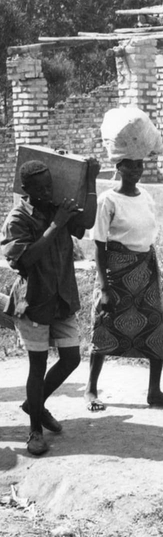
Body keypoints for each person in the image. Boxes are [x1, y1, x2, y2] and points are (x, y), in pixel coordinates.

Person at [0, 158, 99, 456]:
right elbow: (24, 260)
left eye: (49, 186)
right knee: (37, 365)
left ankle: (35, 403)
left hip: (62, 296)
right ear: (25, 189)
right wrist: (56, 225)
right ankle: (34, 431)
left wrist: (90, 181)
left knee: (71, 359)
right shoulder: (18, 218)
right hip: (34, 301)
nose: (46, 192)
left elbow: (87, 225)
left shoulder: (56, 209)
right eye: (39, 188)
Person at [84, 157, 163, 411]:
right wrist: (105, 288)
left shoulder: (146, 197)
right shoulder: (108, 200)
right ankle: (91, 390)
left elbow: (148, 235)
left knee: (154, 325)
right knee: (104, 325)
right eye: (129, 165)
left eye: (139, 165)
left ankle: (155, 391)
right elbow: (99, 244)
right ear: (118, 167)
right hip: (115, 271)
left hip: (145, 269)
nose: (135, 171)